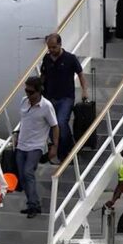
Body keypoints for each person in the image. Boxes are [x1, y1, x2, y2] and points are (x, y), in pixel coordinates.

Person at [14, 76, 59, 218]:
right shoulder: (23, 102)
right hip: (21, 144)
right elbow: (24, 121)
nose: (28, 94)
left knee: (28, 172)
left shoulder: (46, 106)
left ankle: (34, 205)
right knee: (21, 176)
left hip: (36, 145)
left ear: (39, 91)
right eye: (26, 91)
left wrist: (54, 146)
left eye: (31, 92)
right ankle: (32, 202)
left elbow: (55, 126)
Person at [40, 33, 88, 161]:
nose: (51, 50)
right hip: (50, 97)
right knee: (52, 125)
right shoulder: (47, 59)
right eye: (49, 48)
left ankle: (69, 148)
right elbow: (43, 76)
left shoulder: (70, 58)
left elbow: (81, 74)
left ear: (60, 45)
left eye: (54, 47)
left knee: (61, 122)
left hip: (66, 97)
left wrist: (84, 90)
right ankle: (62, 151)